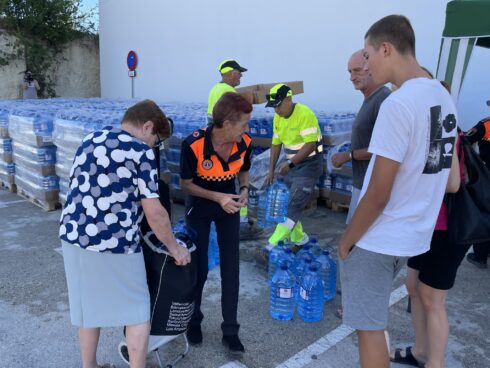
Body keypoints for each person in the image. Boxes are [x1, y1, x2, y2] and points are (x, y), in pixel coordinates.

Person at [337, 15, 460, 368]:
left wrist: (347, 241)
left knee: (370, 329)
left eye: (368, 54)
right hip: (415, 234)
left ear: (386, 49)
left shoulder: (398, 103)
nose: (366, 63)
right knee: (375, 325)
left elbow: (378, 192)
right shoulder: (442, 96)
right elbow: (447, 180)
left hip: (379, 237)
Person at [59, 100, 191, 368]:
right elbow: (154, 212)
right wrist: (175, 248)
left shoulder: (89, 139)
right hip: (115, 242)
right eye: (157, 140)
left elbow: (76, 187)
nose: (155, 146)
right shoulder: (140, 151)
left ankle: (89, 366)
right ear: (147, 127)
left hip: (73, 237)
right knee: (137, 313)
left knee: (88, 311)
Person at [181, 92, 252, 353]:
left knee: (231, 268)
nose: (247, 129)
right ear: (226, 124)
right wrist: (217, 196)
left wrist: (244, 189)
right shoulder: (193, 144)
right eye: (244, 123)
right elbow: (185, 184)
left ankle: (230, 330)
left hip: (229, 203)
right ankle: (193, 321)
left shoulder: (244, 142)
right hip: (200, 203)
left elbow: (244, 167)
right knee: (197, 268)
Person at [332, 49, 390, 224]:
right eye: (350, 72)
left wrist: (349, 155)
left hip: (372, 188)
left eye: (357, 70)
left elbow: (387, 148)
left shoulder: (383, 100)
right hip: (362, 184)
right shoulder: (370, 99)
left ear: (372, 68)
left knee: (356, 242)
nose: (352, 77)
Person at [264, 83, 323, 249]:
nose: (276, 110)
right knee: (287, 203)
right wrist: (271, 171)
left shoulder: (305, 114)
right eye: (273, 107)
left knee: (293, 204)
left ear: (289, 99)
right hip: (291, 166)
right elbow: (276, 144)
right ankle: (300, 238)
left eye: (278, 105)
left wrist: (290, 164)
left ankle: (272, 246)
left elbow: (310, 145)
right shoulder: (278, 117)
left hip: (309, 165)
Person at [465, 116, 490, 268]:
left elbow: (465, 143)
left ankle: (480, 255)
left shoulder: (486, 125)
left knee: (485, 213)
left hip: (487, 175)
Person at [207, 59, 247, 124]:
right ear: (232, 74)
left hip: (213, 129)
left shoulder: (216, 87)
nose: (241, 75)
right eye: (239, 73)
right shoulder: (228, 90)